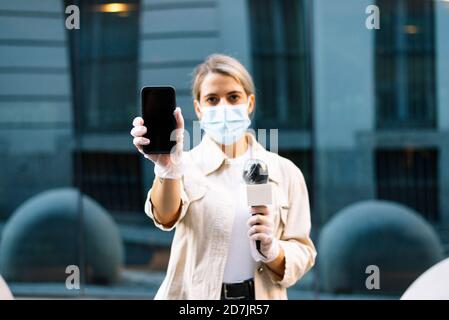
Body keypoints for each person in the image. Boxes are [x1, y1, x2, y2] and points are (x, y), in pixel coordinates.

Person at [130, 54, 316, 299]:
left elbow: (303, 250)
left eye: (233, 97)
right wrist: (167, 168)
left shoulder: (285, 172)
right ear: (198, 108)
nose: (224, 108)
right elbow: (165, 217)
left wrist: (274, 251)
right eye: (212, 99)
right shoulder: (184, 165)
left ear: (250, 103)